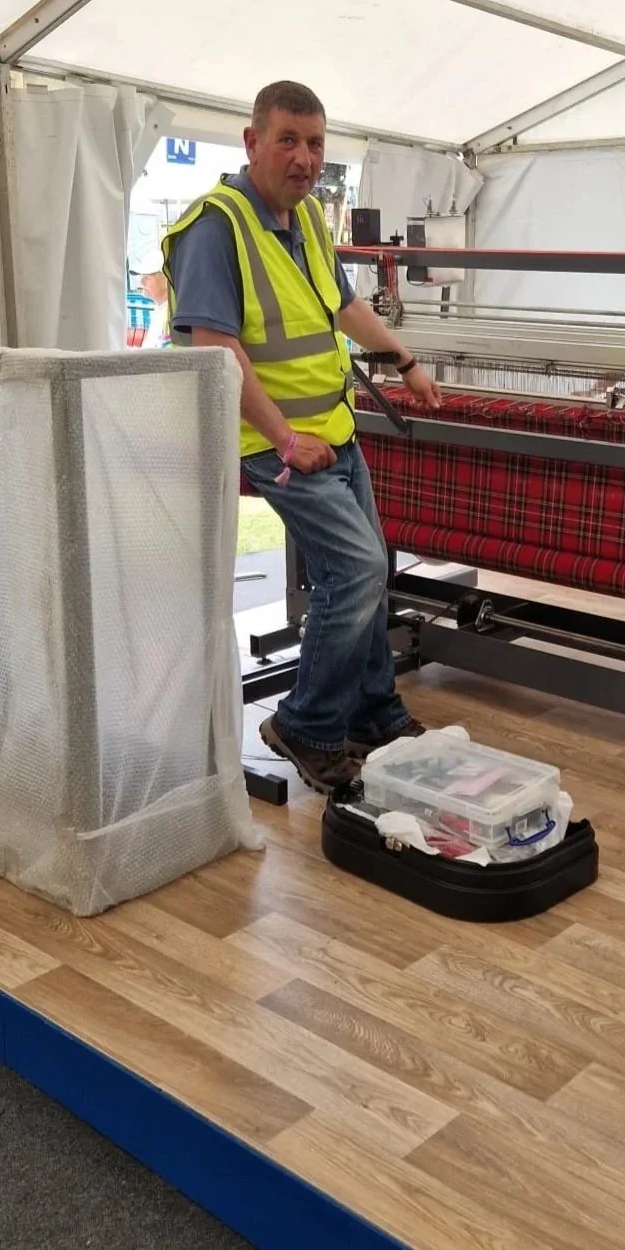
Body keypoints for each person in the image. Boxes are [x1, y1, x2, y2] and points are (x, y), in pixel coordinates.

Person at [163, 80, 442, 794]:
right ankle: (307, 723)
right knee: (352, 574)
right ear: (252, 141)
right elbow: (216, 344)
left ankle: (373, 712)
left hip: (334, 433)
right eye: (287, 139)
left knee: (367, 577)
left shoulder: (308, 218)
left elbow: (342, 304)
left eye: (315, 143)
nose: (304, 157)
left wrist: (404, 361)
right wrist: (286, 441)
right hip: (276, 445)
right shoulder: (216, 225)